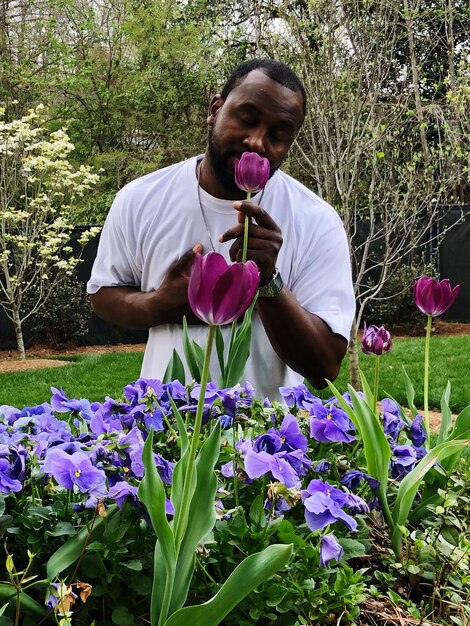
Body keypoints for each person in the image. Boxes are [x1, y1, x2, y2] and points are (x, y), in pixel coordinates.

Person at [87, 58, 355, 400]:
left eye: (278, 134)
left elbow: (325, 367)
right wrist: (161, 304)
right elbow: (102, 293)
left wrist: (269, 281)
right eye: (247, 119)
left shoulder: (316, 220)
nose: (257, 142)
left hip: (268, 441)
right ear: (215, 109)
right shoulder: (142, 198)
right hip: (165, 426)